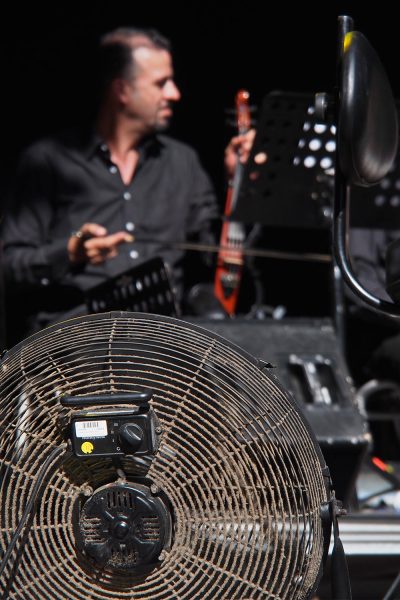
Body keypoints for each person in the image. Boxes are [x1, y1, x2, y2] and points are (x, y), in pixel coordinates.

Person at [1, 27, 253, 346]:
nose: (174, 93)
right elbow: (8, 267)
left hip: (161, 351)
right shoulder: (48, 161)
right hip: (73, 349)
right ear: (122, 90)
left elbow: (216, 261)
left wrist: (239, 184)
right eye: (161, 83)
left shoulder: (182, 163)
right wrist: (69, 252)